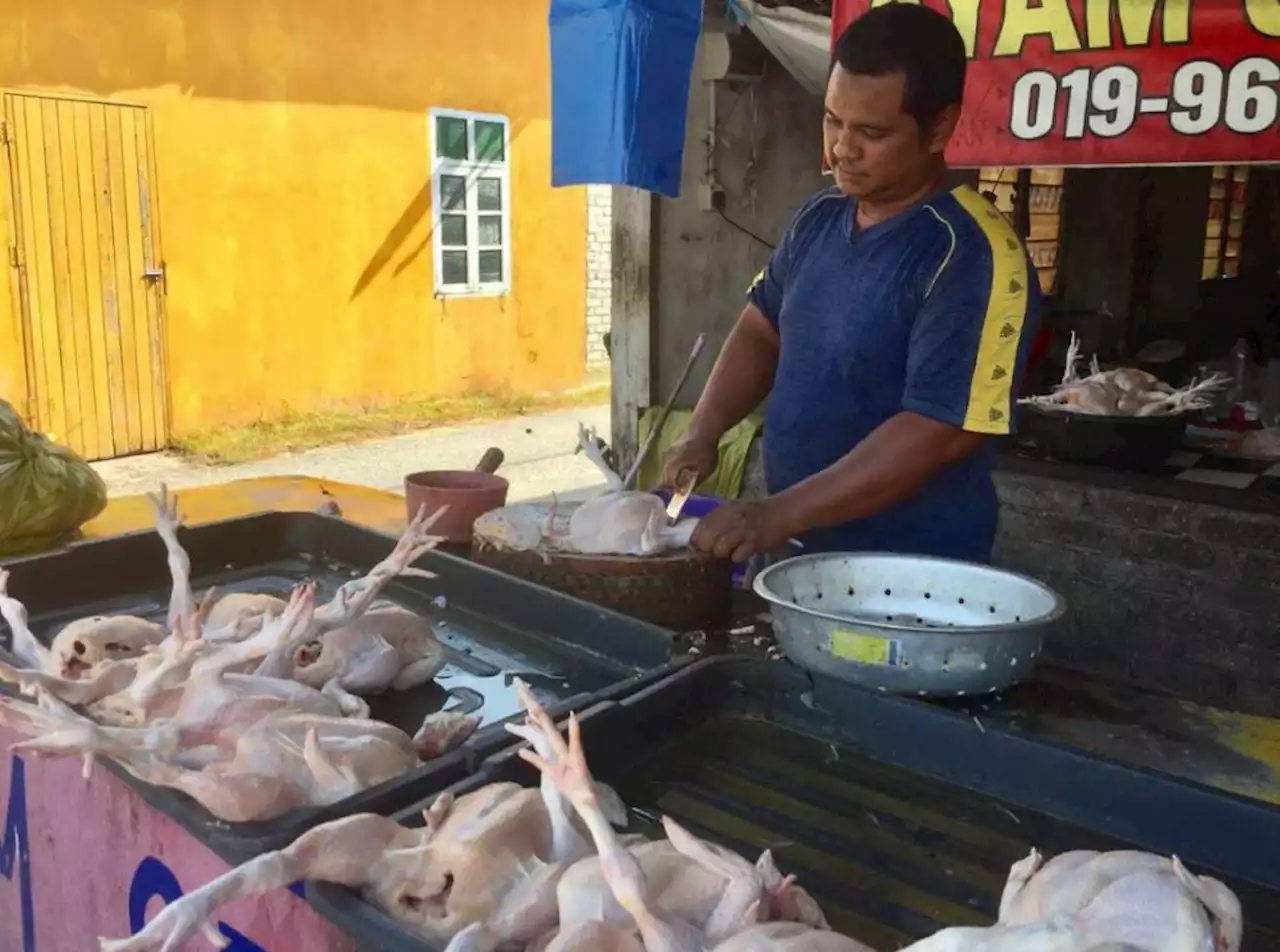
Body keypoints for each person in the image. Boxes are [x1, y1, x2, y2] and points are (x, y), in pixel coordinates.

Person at [660, 3, 1041, 565]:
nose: (841, 148)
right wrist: (704, 430)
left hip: (907, 575)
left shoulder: (971, 255)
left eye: (871, 132)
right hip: (793, 555)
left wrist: (778, 512)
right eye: (833, 120)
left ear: (940, 127)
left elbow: (941, 428)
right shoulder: (818, 217)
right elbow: (762, 328)